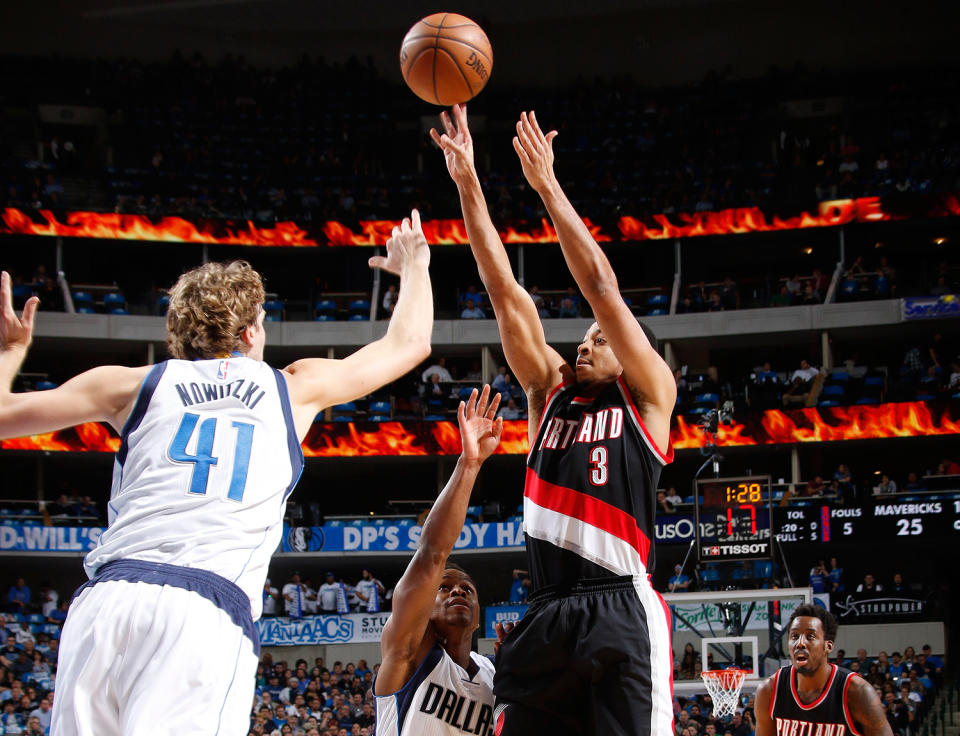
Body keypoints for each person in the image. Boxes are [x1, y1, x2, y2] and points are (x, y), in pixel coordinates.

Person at [0, 211, 434, 736]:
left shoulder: (131, 384)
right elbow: (409, 344)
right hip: (203, 609)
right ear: (251, 331)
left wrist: (11, 351)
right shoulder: (290, 387)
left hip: (106, 601)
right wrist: (414, 267)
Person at [432, 104, 676, 735]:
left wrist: (546, 185)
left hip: (620, 601)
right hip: (545, 613)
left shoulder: (648, 396)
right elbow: (501, 287)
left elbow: (601, 285)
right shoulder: (549, 393)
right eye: (586, 338)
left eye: (601, 338)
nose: (586, 343)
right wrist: (469, 186)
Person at [374, 386, 502, 735]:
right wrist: (469, 464)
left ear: (478, 618)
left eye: (466, 589)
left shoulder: (493, 674)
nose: (457, 591)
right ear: (424, 609)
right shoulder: (409, 653)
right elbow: (432, 553)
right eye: (444, 588)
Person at [754, 604, 891, 736]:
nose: (800, 643)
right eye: (794, 636)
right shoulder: (769, 691)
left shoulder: (857, 692)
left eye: (810, 636)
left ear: (828, 646)